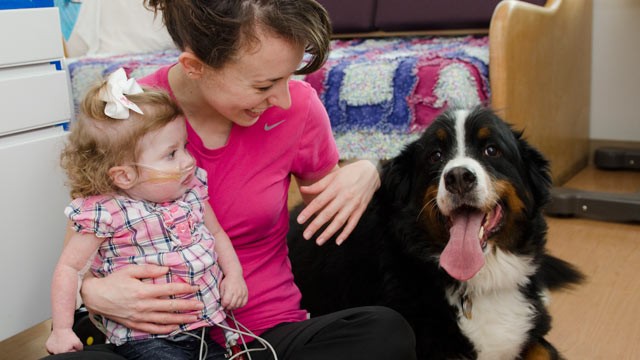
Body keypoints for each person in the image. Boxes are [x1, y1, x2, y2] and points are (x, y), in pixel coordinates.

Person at [45, 0, 416, 359]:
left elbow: (340, 227)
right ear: (194, 66)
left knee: (384, 331)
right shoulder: (128, 117)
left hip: (265, 335)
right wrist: (93, 293)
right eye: (263, 85)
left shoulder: (300, 110)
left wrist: (371, 171)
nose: (284, 100)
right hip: (149, 342)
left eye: (289, 77)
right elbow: (78, 255)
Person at [45, 69, 247, 359]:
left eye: (184, 146)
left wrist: (234, 276)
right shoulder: (106, 213)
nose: (189, 160)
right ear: (124, 176)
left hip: (203, 331)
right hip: (147, 340)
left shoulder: (191, 191)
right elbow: (69, 268)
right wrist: (62, 330)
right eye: (171, 154)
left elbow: (216, 234)